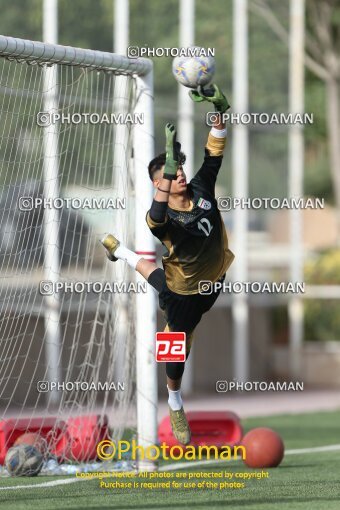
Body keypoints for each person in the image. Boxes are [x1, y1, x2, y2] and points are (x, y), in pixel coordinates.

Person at [101, 84, 234, 445]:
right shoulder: (159, 217)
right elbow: (157, 215)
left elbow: (215, 150)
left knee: (157, 281)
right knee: (175, 347)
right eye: (168, 173)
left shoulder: (201, 187)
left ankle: (123, 253)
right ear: (155, 183)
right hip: (183, 290)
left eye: (177, 168)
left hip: (216, 275)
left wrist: (220, 109)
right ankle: (175, 402)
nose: (177, 175)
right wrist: (165, 173)